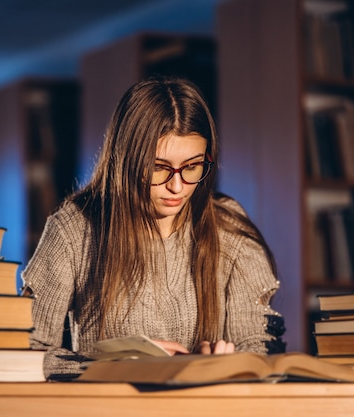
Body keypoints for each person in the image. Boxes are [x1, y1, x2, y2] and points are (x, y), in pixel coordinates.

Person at [21, 76, 285, 380]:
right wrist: (117, 369)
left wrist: (223, 365)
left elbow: (258, 349)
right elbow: (28, 351)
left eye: (192, 166)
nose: (177, 186)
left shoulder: (228, 227)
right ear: (126, 161)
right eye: (158, 167)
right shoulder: (74, 228)